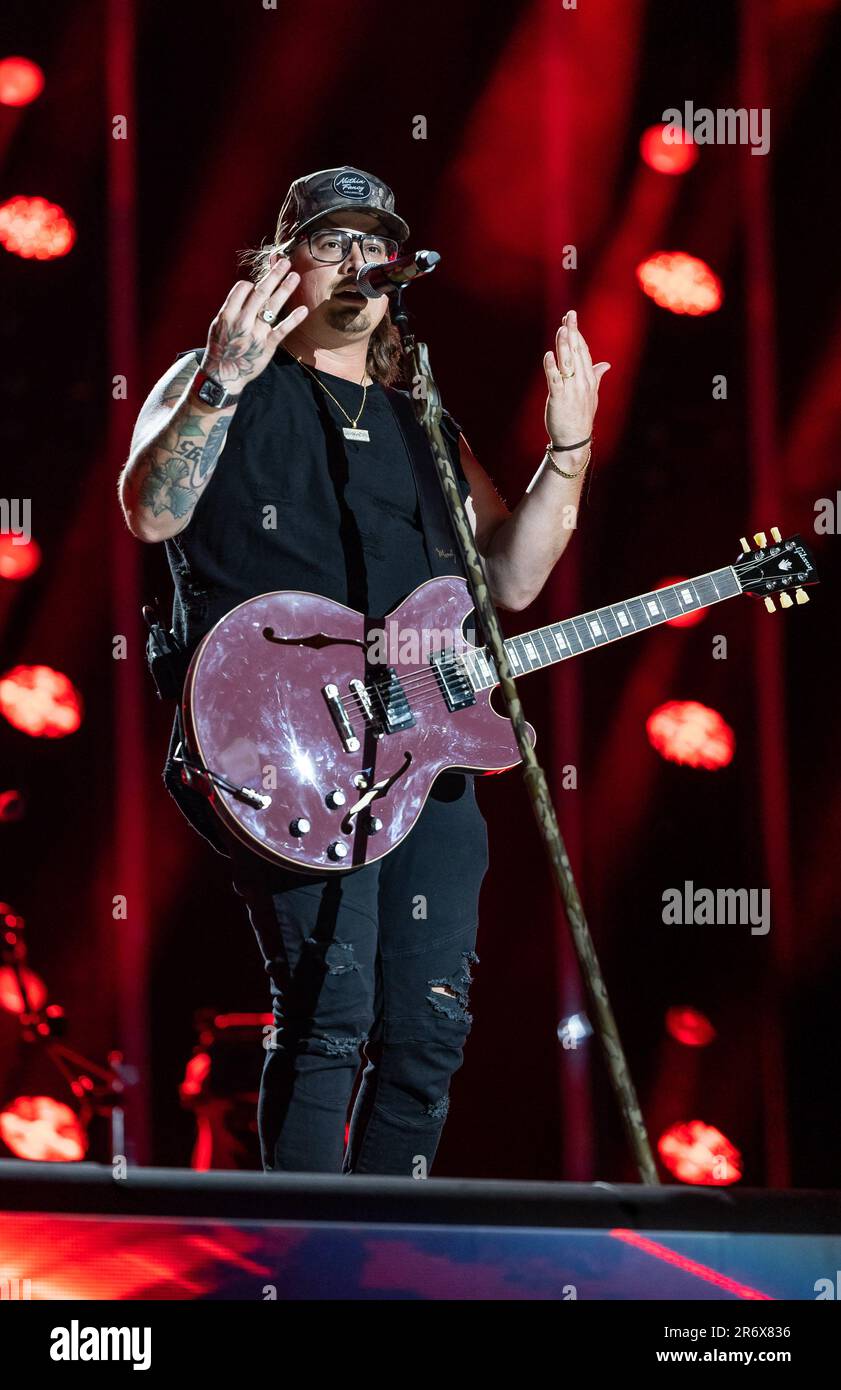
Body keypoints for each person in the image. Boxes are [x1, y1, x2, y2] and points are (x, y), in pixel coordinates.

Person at [118, 165, 609, 1177]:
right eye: (327, 241)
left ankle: (386, 1253)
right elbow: (151, 510)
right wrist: (218, 379)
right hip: (278, 738)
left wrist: (566, 455)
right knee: (330, 1010)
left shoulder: (421, 422)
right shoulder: (216, 377)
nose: (353, 262)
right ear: (280, 264)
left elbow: (511, 577)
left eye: (370, 244)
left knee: (428, 1029)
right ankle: (306, 1263)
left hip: (422, 751)